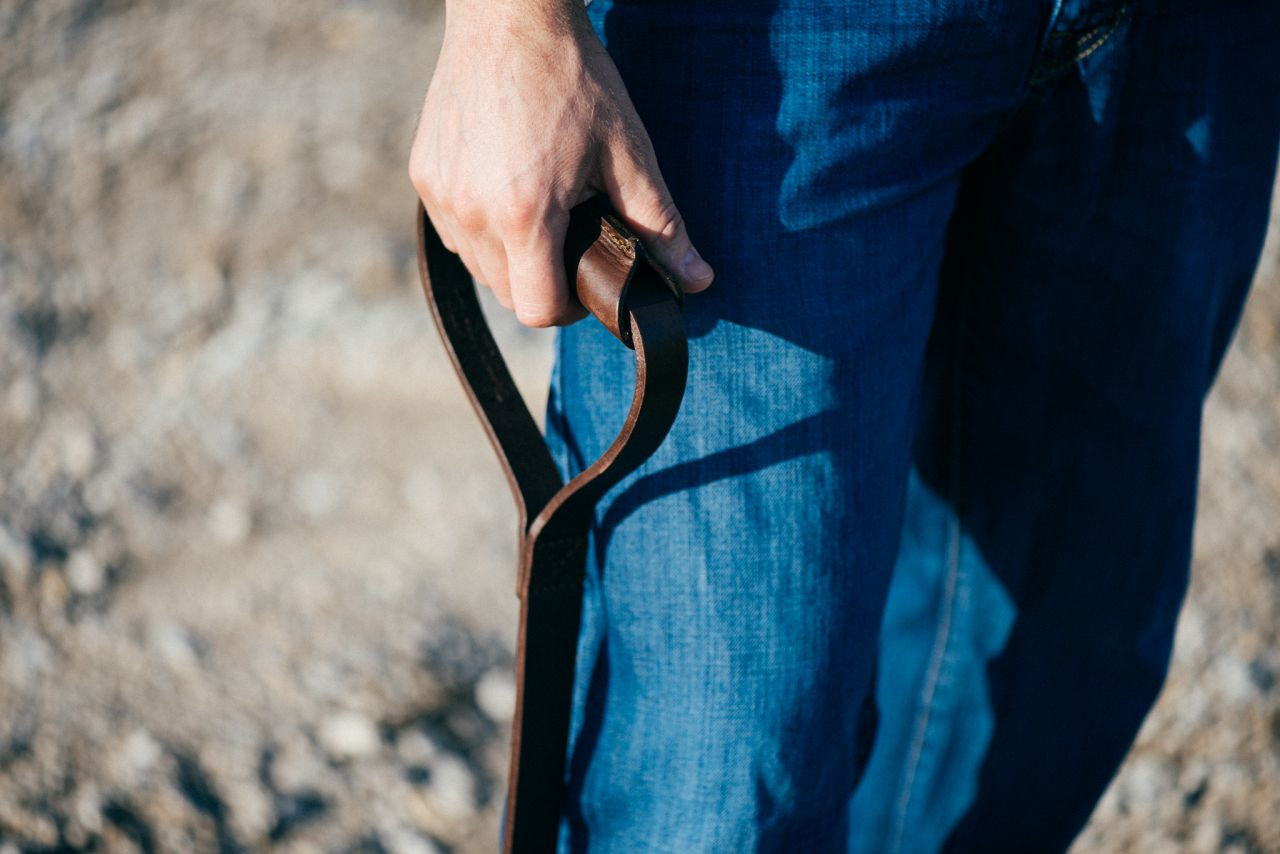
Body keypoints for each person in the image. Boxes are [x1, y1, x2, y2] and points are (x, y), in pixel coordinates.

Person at [409, 0, 1280, 849]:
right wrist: (508, 25)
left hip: (1191, 34)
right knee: (722, 774)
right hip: (772, 36)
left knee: (1051, 671)